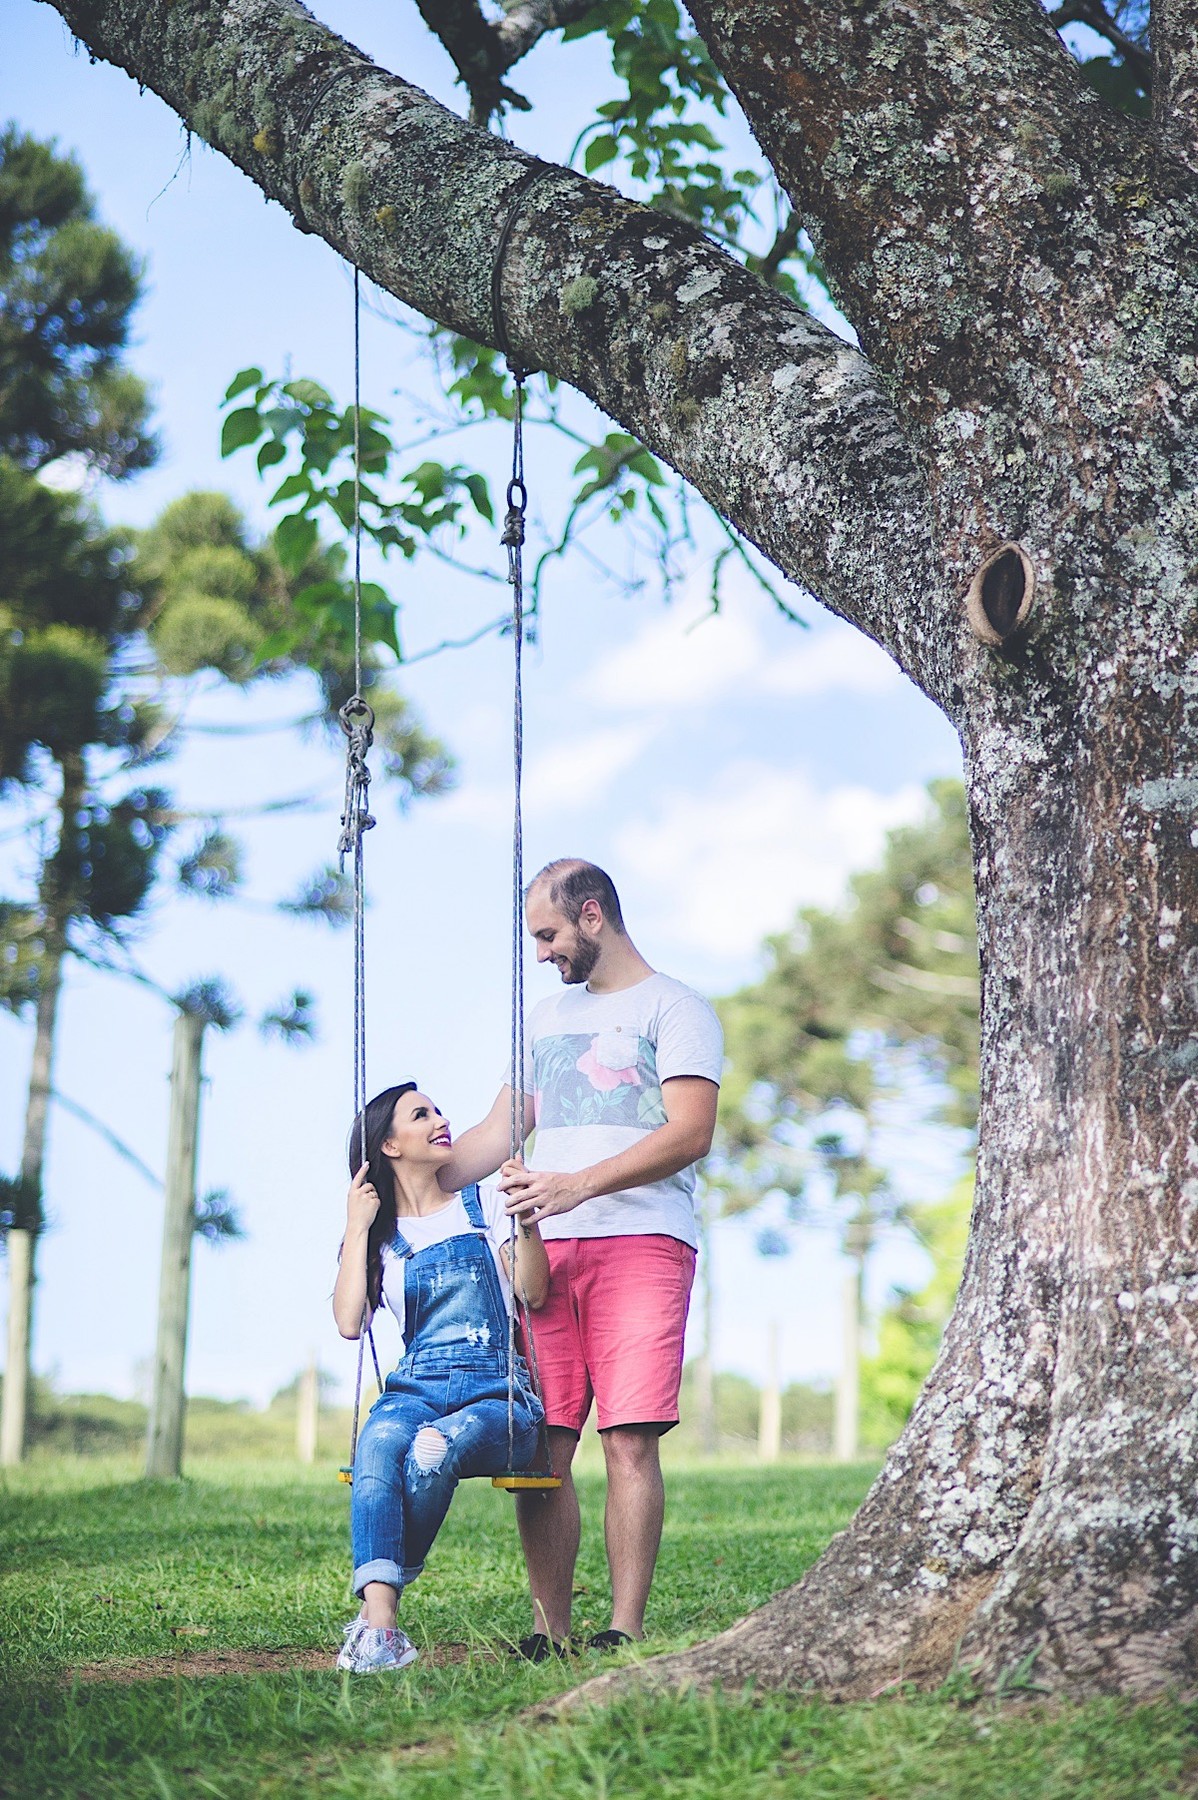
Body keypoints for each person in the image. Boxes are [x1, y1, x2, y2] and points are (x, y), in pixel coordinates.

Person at [441, 859, 723, 1658]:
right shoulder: (543, 1021)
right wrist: (400, 1182)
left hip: (643, 1241)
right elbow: (497, 1136)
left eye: (549, 934)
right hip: (546, 1252)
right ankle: (548, 1629)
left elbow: (688, 1132)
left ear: (592, 915)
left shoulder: (679, 1008)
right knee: (544, 1444)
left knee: (629, 1439)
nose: (541, 953)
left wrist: (576, 1185)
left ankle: (621, 1629)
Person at [332, 1081, 549, 1674]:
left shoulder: (485, 1206)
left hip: (497, 1394)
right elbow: (350, 1322)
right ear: (390, 1145)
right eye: (420, 1115)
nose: (440, 1120)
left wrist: (526, 1219)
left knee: (434, 1449)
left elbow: (533, 1291)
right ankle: (381, 1633)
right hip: (415, 1387)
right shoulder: (380, 1238)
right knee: (377, 1441)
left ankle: (377, 1612)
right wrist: (356, 1227)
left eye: (438, 1110)